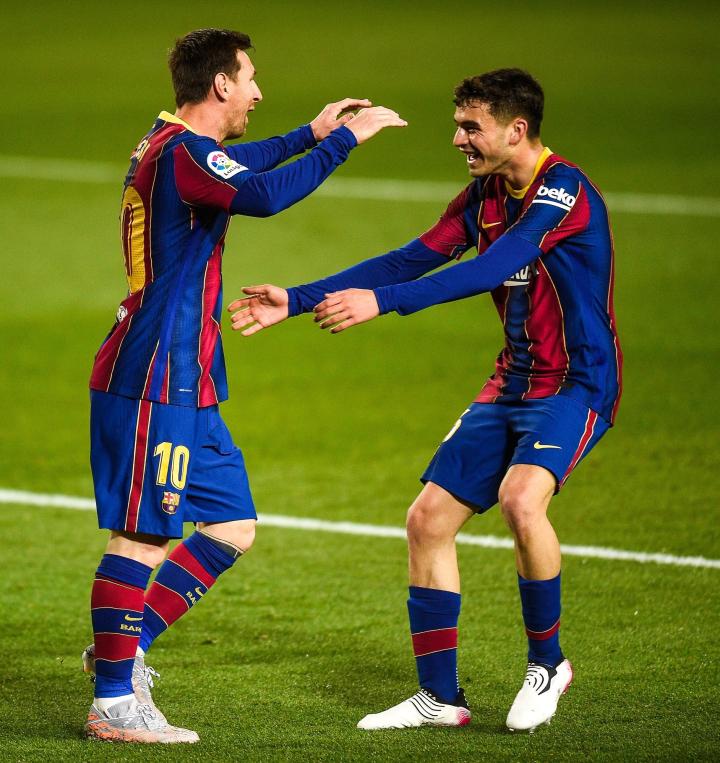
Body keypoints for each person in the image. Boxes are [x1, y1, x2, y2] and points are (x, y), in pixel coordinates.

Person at [228, 68, 622, 733]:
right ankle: (440, 697)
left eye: (472, 127)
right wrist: (295, 300)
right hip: (514, 379)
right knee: (428, 520)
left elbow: (491, 268)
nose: (458, 139)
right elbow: (410, 258)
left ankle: (548, 663)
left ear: (516, 129)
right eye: (458, 125)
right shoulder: (484, 196)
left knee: (521, 499)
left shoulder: (562, 190)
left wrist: (381, 304)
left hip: (576, 382)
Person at [83, 27, 406, 744]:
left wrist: (307, 134)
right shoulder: (182, 154)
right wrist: (341, 142)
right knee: (141, 536)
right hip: (156, 372)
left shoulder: (176, 147)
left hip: (190, 376)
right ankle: (112, 702)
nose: (258, 92)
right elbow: (258, 195)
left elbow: (237, 167)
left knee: (231, 525)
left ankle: (121, 651)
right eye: (250, 78)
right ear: (221, 83)